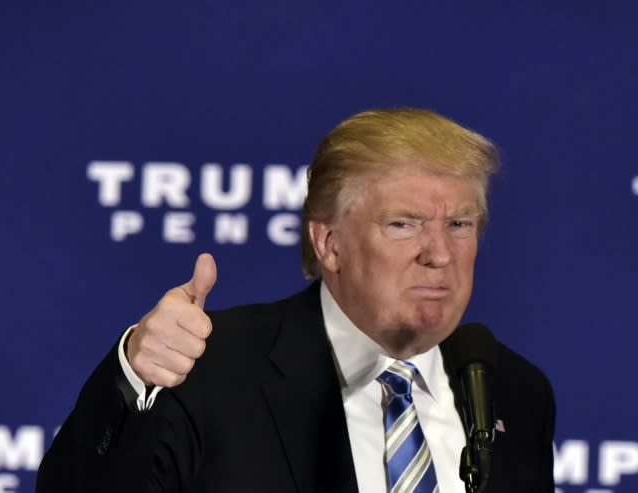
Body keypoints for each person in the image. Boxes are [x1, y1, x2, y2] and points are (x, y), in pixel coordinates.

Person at [36, 108, 555, 493]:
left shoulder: (513, 390)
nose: (439, 254)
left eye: (460, 224)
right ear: (330, 244)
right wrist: (136, 378)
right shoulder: (209, 371)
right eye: (404, 224)